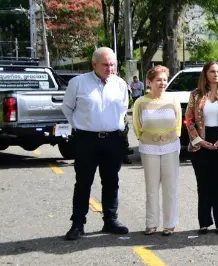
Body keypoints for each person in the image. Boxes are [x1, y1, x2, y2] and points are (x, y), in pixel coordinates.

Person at [61, 47, 129, 240]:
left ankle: (110, 219)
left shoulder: (120, 84)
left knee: (111, 181)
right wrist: (80, 127)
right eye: (105, 64)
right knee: (83, 182)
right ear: (94, 64)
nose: (110, 68)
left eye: (113, 64)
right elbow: (67, 108)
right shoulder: (78, 83)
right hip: (86, 140)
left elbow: (123, 108)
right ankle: (78, 223)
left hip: (113, 139)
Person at [184, 61, 218, 235]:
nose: (216, 75)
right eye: (212, 71)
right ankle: (204, 222)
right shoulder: (195, 95)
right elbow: (189, 120)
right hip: (201, 144)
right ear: (205, 74)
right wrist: (199, 140)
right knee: (204, 184)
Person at [132, 66, 182, 236]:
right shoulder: (140, 102)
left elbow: (178, 123)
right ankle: (151, 223)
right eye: (158, 80)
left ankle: (170, 224)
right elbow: (137, 125)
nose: (162, 83)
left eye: (164, 80)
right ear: (149, 82)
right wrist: (145, 138)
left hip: (170, 146)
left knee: (170, 187)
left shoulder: (173, 100)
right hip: (149, 148)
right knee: (151, 187)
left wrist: (170, 138)